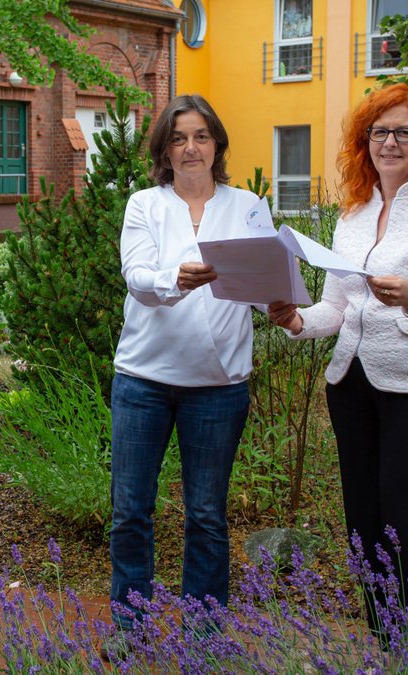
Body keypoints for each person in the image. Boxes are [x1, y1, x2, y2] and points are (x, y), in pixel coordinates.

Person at [267, 83, 408, 638]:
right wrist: (296, 322)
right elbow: (338, 308)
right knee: (365, 526)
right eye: (379, 132)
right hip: (354, 388)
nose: (389, 143)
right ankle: (385, 638)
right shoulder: (355, 215)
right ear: (364, 141)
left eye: (403, 132)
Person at [108, 95, 259, 642]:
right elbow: (137, 277)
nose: (190, 148)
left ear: (216, 143)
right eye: (178, 139)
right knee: (130, 510)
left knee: (207, 514)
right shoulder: (145, 204)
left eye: (200, 136)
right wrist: (176, 279)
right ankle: (131, 626)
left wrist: (282, 300)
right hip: (143, 380)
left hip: (218, 386)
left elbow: (261, 280)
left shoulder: (247, 206)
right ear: (164, 151)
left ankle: (204, 632)